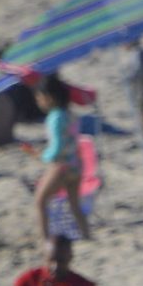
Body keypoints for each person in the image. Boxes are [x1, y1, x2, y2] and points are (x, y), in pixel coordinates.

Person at [32, 71, 90, 248]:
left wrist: (42, 155)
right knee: (75, 205)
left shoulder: (55, 117)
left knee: (40, 201)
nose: (38, 101)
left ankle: (46, 240)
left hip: (60, 167)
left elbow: (57, 147)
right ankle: (87, 235)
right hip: (76, 166)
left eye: (40, 97)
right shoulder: (70, 114)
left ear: (49, 97)